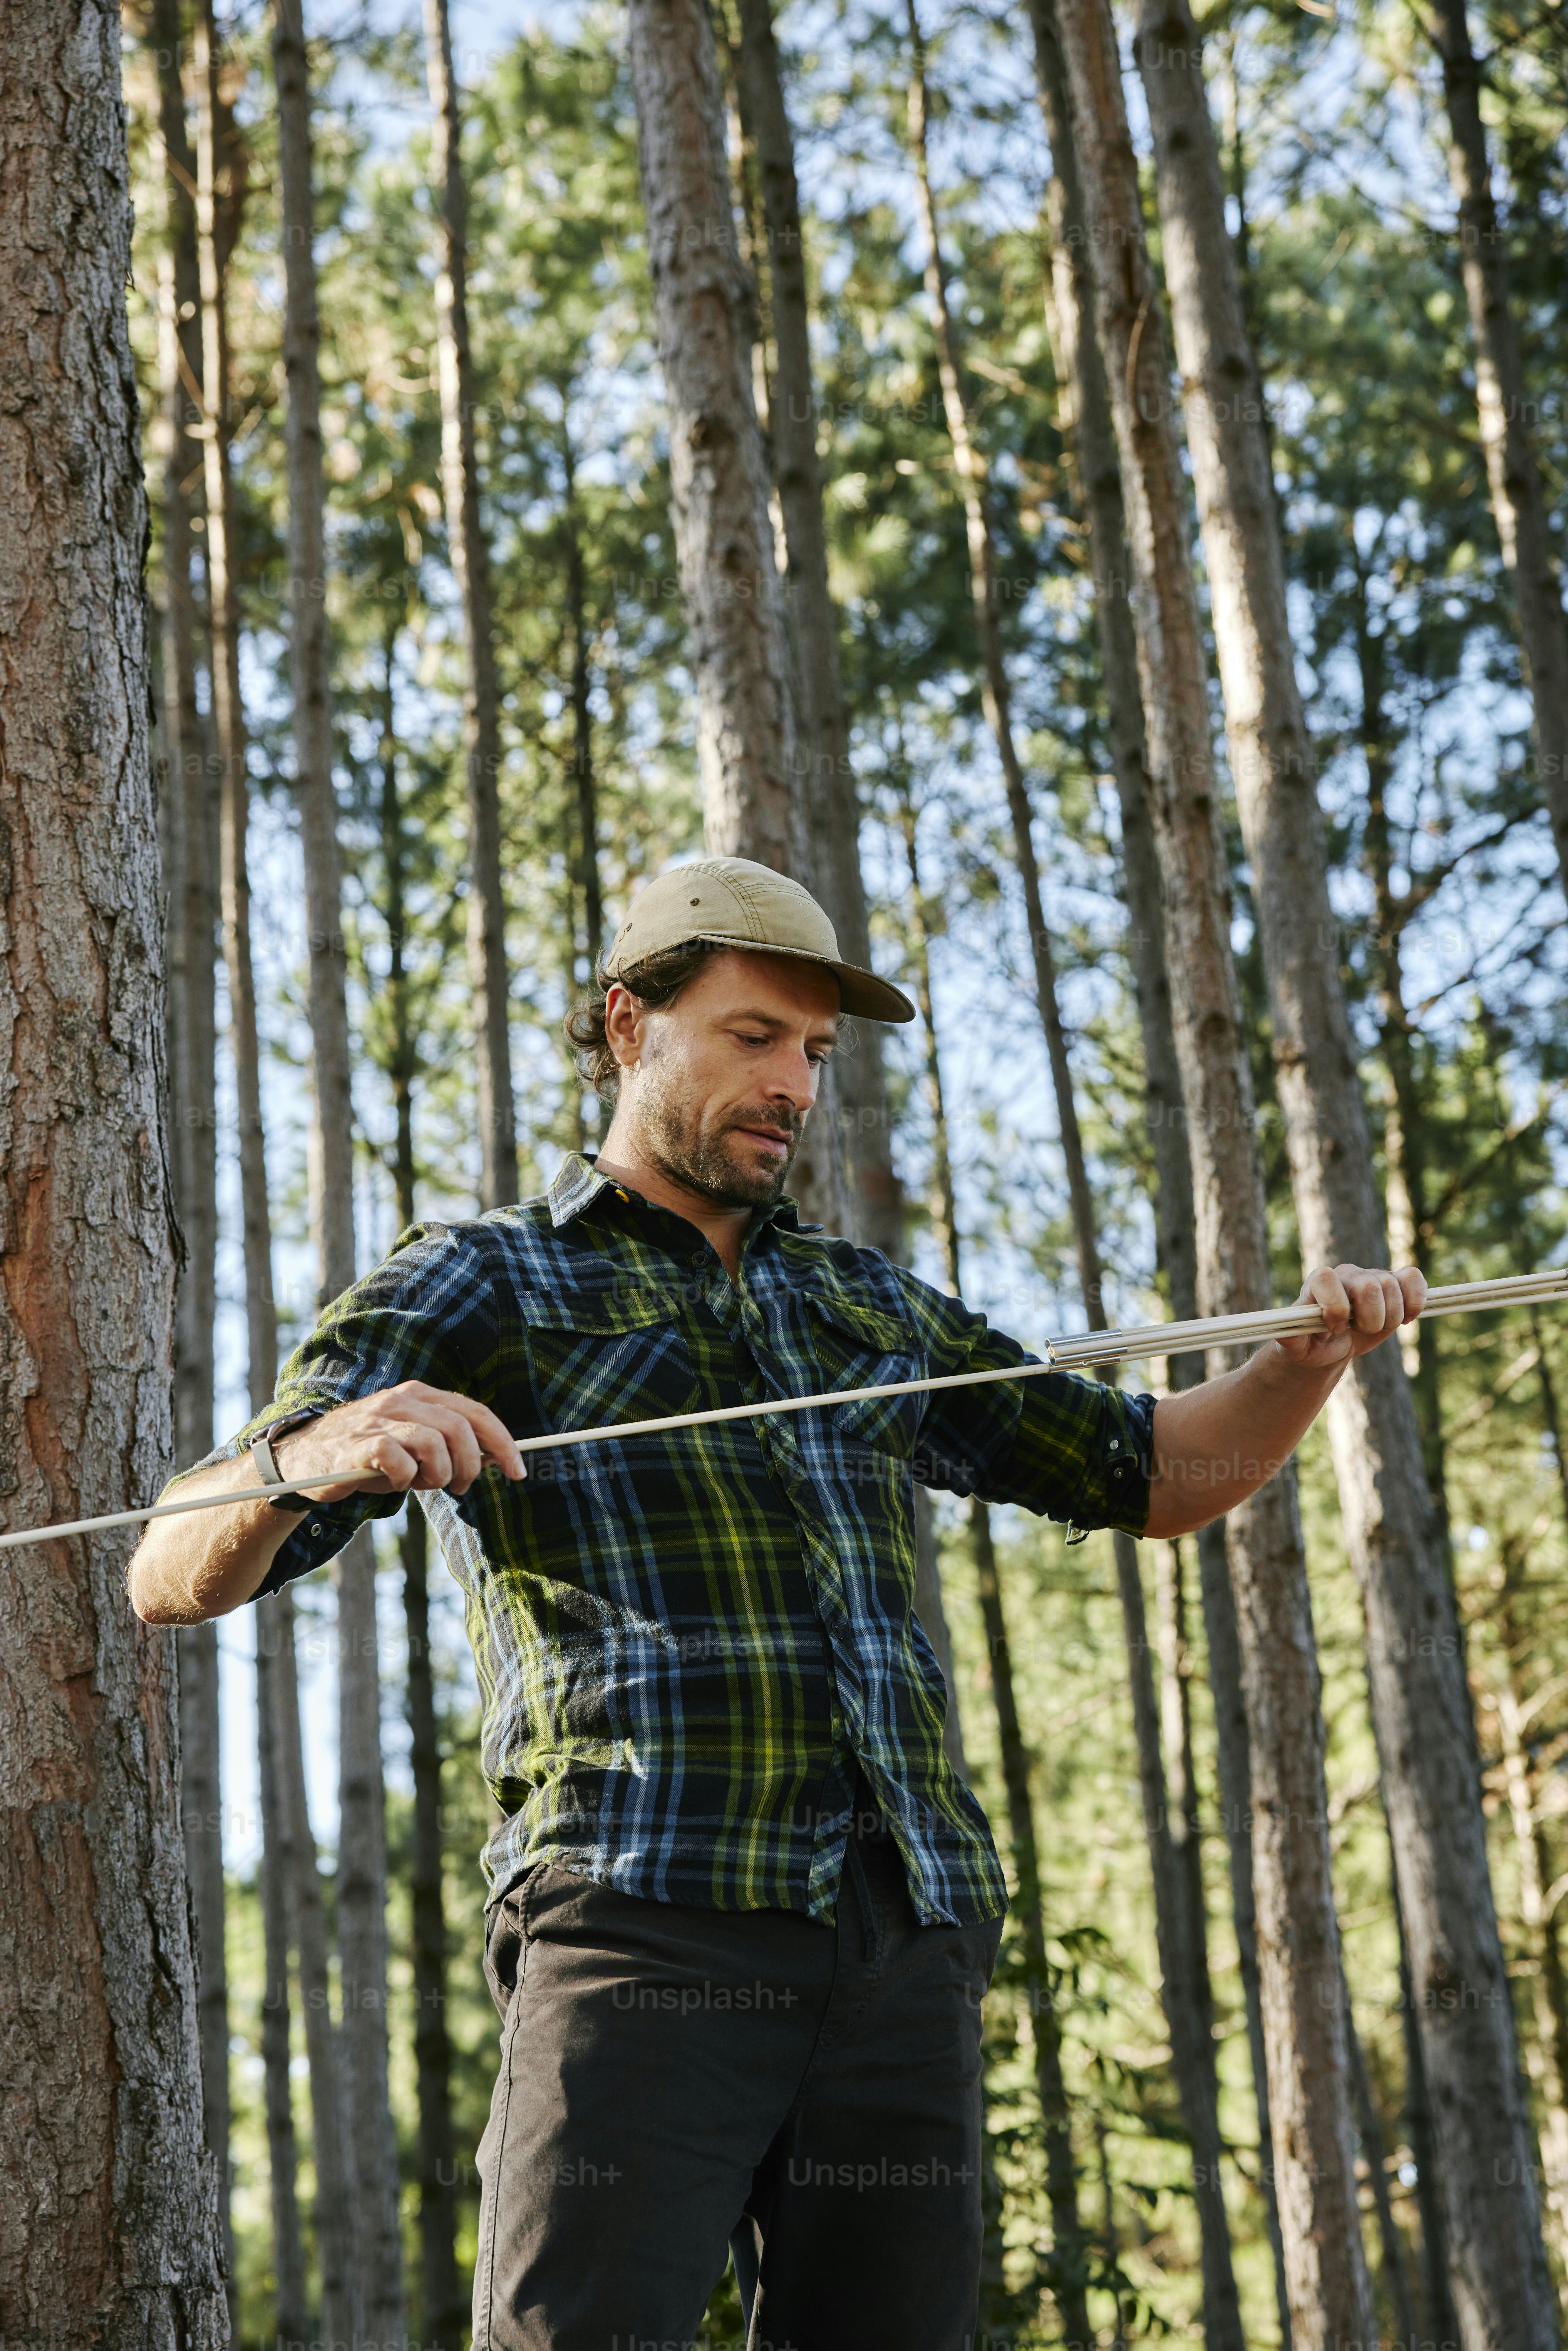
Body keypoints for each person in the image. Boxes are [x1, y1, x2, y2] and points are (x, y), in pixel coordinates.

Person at [130, 855, 1425, 2351]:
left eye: (814, 1051)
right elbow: (169, 1570)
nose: (795, 1082)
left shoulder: (864, 1305)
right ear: (629, 1026)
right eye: (753, 1035)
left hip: (900, 1940)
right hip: (642, 1928)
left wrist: (1309, 1356)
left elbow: (1152, 1472)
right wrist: (313, 1453)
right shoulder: (485, 1276)